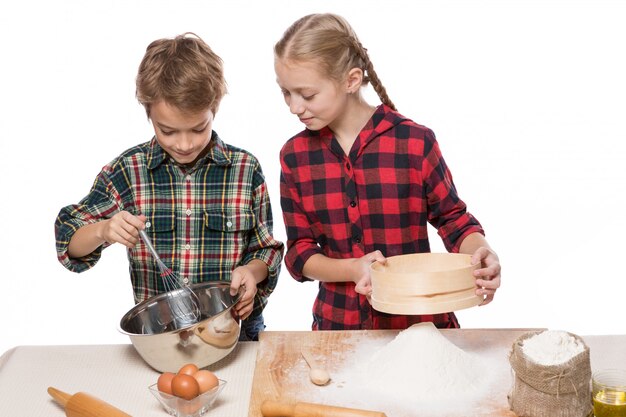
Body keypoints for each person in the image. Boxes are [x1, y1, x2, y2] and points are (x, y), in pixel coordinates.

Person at [274, 13, 501, 331]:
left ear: (351, 81)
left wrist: (482, 254)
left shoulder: (414, 141)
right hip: (338, 329)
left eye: (307, 95)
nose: (294, 107)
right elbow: (300, 253)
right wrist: (353, 269)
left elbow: (454, 221)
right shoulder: (294, 157)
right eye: (285, 92)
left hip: (421, 326)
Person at [55, 33, 284, 341]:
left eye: (198, 128)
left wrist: (251, 274)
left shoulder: (244, 170)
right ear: (148, 112)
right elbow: (68, 238)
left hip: (235, 332)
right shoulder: (129, 172)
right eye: (168, 131)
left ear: (214, 108)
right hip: (164, 338)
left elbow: (265, 250)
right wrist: (103, 230)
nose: (185, 143)